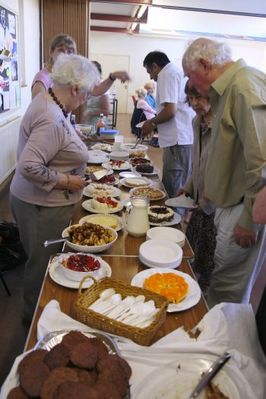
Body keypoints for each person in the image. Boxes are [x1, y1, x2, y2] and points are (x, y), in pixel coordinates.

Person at [10, 53, 99, 323]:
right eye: (85, 93)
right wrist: (68, 181)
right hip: (40, 207)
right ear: (74, 88)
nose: (85, 99)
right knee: (41, 267)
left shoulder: (52, 104)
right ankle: (35, 323)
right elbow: (28, 165)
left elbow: (56, 140)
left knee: (41, 261)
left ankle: (42, 314)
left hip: (40, 203)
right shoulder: (50, 115)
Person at [182, 38, 266, 307]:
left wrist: (249, 220)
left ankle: (222, 345)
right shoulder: (229, 90)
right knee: (220, 280)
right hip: (227, 205)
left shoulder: (243, 87)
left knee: (227, 289)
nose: (192, 86)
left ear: (205, 65)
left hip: (242, 209)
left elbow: (262, 162)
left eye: (191, 77)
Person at [179, 83, 216, 293]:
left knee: (210, 257)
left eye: (198, 97)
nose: (194, 103)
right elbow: (197, 162)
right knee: (193, 251)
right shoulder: (197, 121)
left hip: (216, 202)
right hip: (200, 200)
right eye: (190, 98)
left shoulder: (222, 125)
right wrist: (187, 187)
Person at [141, 51, 194, 198]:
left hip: (178, 139)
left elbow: (170, 110)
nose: (151, 77)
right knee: (180, 182)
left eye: (149, 72)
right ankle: (177, 215)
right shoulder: (174, 71)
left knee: (173, 185)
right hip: (181, 137)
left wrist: (151, 122)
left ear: (155, 66)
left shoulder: (166, 74)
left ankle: (173, 218)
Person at [31, 33, 130, 100]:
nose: (65, 55)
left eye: (70, 51)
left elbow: (96, 90)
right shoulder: (42, 79)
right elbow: (40, 112)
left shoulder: (69, 76)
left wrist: (113, 76)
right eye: (61, 50)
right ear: (51, 52)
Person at [80, 61, 110, 128]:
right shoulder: (90, 84)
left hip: (98, 123)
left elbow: (106, 111)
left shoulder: (102, 86)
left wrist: (90, 112)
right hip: (88, 122)